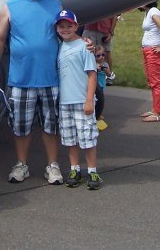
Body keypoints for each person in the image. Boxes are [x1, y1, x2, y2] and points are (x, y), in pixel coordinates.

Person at [0, 0, 64, 185]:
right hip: (21, 79)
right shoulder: (10, 6)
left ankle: (52, 166)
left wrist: (84, 43)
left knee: (51, 126)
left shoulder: (56, 5)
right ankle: (21, 165)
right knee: (21, 127)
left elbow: (66, 34)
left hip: (50, 78)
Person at [54, 10, 102, 190]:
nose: (65, 29)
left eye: (69, 25)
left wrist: (89, 100)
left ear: (76, 26)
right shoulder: (59, 46)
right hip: (65, 101)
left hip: (82, 100)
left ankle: (92, 171)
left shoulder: (84, 46)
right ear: (57, 28)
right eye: (61, 26)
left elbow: (92, 74)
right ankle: (75, 169)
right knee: (70, 139)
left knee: (88, 138)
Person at [138, 1, 160, 122]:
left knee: (155, 82)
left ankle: (157, 113)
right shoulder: (148, 12)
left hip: (153, 52)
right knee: (151, 81)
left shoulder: (153, 11)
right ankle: (155, 108)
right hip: (147, 50)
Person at [82, 15, 118, 84]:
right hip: (90, 27)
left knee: (105, 53)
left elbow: (114, 16)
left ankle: (109, 75)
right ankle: (89, 74)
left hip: (104, 29)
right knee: (88, 51)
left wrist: (111, 32)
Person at [93, 46, 109, 131]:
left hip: (102, 85)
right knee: (95, 101)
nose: (101, 57)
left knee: (100, 101)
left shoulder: (105, 64)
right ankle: (96, 115)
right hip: (95, 86)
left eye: (103, 55)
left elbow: (109, 74)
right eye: (98, 56)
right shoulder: (93, 64)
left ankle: (98, 114)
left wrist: (106, 70)